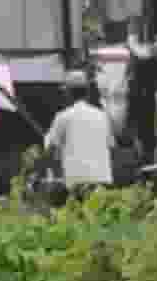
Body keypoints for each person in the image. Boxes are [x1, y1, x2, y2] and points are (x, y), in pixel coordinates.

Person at [45, 70, 114, 201]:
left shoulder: (63, 117)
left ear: (68, 93)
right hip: (102, 180)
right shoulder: (102, 116)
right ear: (87, 92)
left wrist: (56, 176)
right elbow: (111, 148)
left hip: (76, 182)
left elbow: (51, 152)